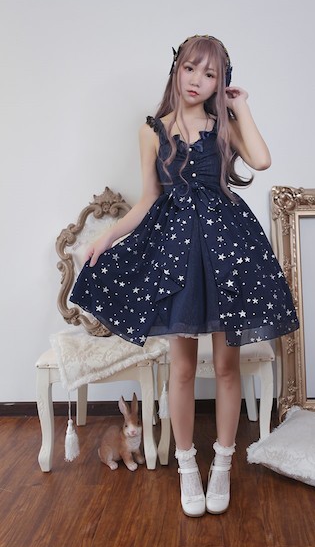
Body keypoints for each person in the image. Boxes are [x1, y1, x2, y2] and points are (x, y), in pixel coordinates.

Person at [71, 34, 299, 517]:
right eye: (191, 68)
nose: (197, 80)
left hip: (227, 251)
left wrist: (240, 106)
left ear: (222, 82)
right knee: (181, 367)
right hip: (176, 256)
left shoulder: (223, 125)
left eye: (210, 74)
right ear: (177, 69)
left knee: (227, 366)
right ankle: (187, 465)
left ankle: (223, 463)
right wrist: (104, 239)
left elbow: (262, 160)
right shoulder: (151, 130)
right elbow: (148, 200)